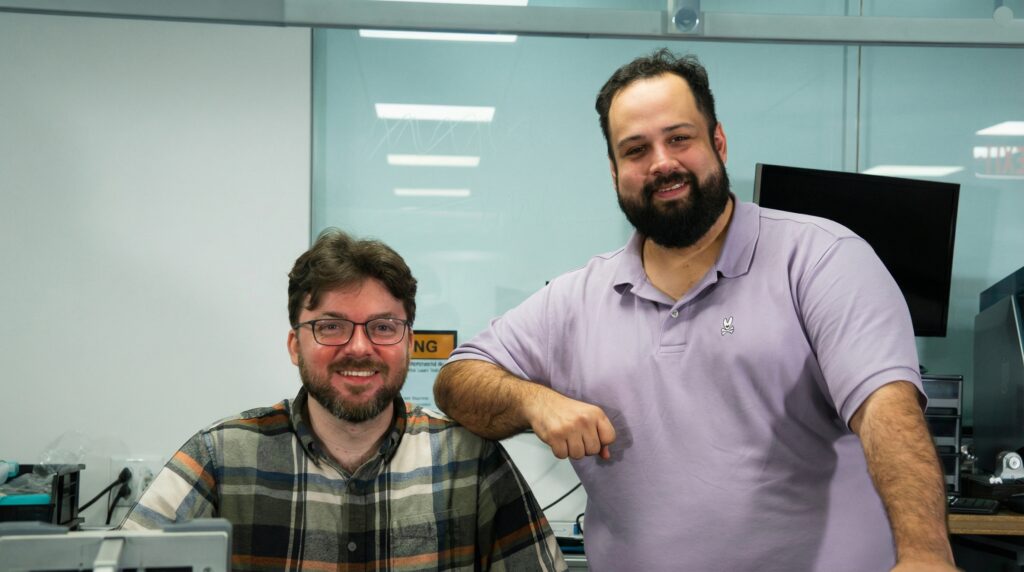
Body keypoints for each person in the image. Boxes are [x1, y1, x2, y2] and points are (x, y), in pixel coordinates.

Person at [433, 49, 955, 571]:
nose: (662, 162)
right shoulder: (576, 300)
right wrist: (535, 402)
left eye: (679, 138)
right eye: (636, 150)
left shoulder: (820, 259)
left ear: (718, 142)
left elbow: (886, 410)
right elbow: (457, 379)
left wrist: (925, 556)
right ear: (614, 172)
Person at [123, 229, 567, 572]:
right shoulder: (220, 457)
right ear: (295, 345)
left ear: (409, 344)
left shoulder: (471, 459)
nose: (358, 347)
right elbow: (123, 559)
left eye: (383, 327)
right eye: (331, 326)